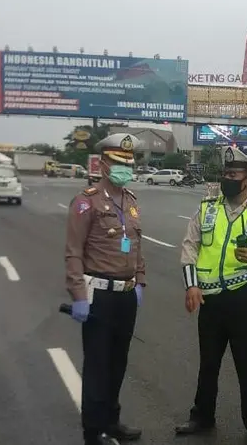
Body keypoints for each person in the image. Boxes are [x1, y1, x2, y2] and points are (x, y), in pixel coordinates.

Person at [175, 146, 247, 445]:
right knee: (208, 363)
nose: (228, 179)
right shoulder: (206, 209)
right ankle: (202, 416)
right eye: (225, 174)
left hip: (244, 300)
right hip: (210, 301)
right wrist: (192, 285)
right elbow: (189, 248)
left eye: (234, 174)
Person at [64, 133, 146, 445]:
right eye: (119, 163)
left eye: (130, 163)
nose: (126, 168)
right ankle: (92, 431)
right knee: (97, 365)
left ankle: (112, 421)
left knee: (118, 362)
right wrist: (78, 296)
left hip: (126, 295)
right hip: (98, 295)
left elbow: (137, 247)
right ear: (104, 165)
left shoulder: (132, 202)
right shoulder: (86, 202)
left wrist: (140, 282)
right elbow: (73, 251)